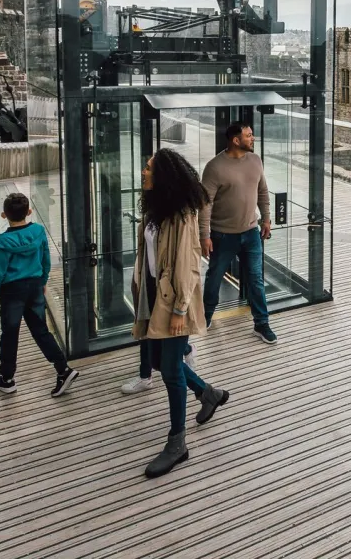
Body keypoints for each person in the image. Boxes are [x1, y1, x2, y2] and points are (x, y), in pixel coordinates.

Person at [132, 148, 230, 479]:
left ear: (164, 175)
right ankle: (208, 393)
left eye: (148, 168)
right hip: (153, 296)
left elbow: (188, 266)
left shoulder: (182, 215)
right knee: (158, 361)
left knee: (171, 370)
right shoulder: (157, 209)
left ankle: (178, 444)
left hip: (173, 301)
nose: (144, 172)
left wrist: (179, 310)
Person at [0, 192, 80, 398]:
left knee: (9, 334)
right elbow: (45, 259)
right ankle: (63, 369)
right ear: (29, 212)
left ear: (4, 215)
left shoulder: (2, 242)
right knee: (41, 331)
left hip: (12, 291)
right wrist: (43, 280)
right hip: (35, 287)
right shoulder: (39, 232)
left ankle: (7, 379)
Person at [201, 122, 277, 344]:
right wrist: (204, 235)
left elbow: (262, 191)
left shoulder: (255, 161)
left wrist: (266, 219)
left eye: (252, 135)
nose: (253, 138)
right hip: (222, 235)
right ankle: (205, 316)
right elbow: (204, 205)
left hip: (251, 233)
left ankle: (261, 323)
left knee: (256, 280)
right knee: (214, 279)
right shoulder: (214, 167)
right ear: (236, 140)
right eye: (249, 135)